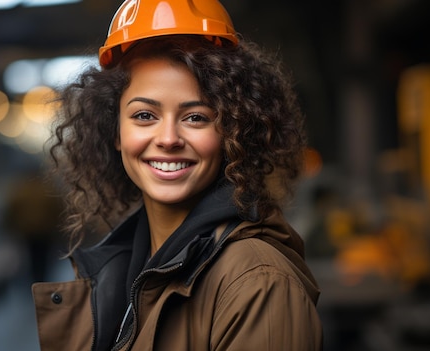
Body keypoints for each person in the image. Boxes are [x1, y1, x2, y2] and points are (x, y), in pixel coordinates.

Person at [32, 0, 323, 350]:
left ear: (232, 131)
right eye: (144, 116)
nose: (168, 139)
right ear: (115, 131)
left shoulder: (257, 282)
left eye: (195, 117)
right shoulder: (128, 271)